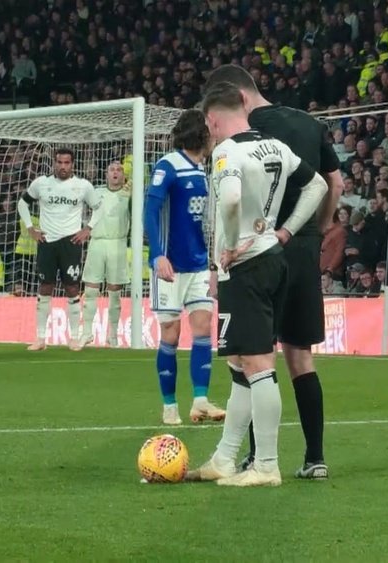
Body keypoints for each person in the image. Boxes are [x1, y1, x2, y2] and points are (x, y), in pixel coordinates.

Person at [204, 64, 343, 479]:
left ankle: (258, 459)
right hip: (294, 247)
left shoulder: (238, 139)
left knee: (251, 361)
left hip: (250, 253)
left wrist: (230, 246)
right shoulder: (307, 124)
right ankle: (314, 457)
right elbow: (330, 183)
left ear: (235, 101)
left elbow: (229, 200)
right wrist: (309, 229)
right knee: (300, 356)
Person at [144, 109, 225, 426]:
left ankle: (201, 402)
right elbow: (150, 211)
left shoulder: (205, 169)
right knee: (172, 334)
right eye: (210, 131)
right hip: (170, 266)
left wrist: (214, 263)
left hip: (198, 264)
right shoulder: (168, 166)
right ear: (200, 135)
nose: (213, 135)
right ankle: (169, 406)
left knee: (204, 327)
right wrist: (157, 256)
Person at [17, 148, 102, 351]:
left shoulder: (82, 186)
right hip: (47, 241)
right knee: (45, 287)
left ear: (72, 164)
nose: (63, 166)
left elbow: (99, 207)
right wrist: (30, 228)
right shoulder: (41, 183)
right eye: (59, 162)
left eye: (67, 163)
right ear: (54, 163)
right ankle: (40, 338)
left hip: (70, 242)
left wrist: (88, 229)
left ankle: (73, 337)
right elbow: (22, 203)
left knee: (72, 288)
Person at [81, 161, 131, 348]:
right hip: (97, 243)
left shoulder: (129, 194)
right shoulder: (96, 192)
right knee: (91, 290)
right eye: (112, 170)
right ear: (106, 174)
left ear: (123, 175)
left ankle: (113, 335)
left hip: (118, 243)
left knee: (115, 293)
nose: (116, 172)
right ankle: (86, 333)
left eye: (119, 170)